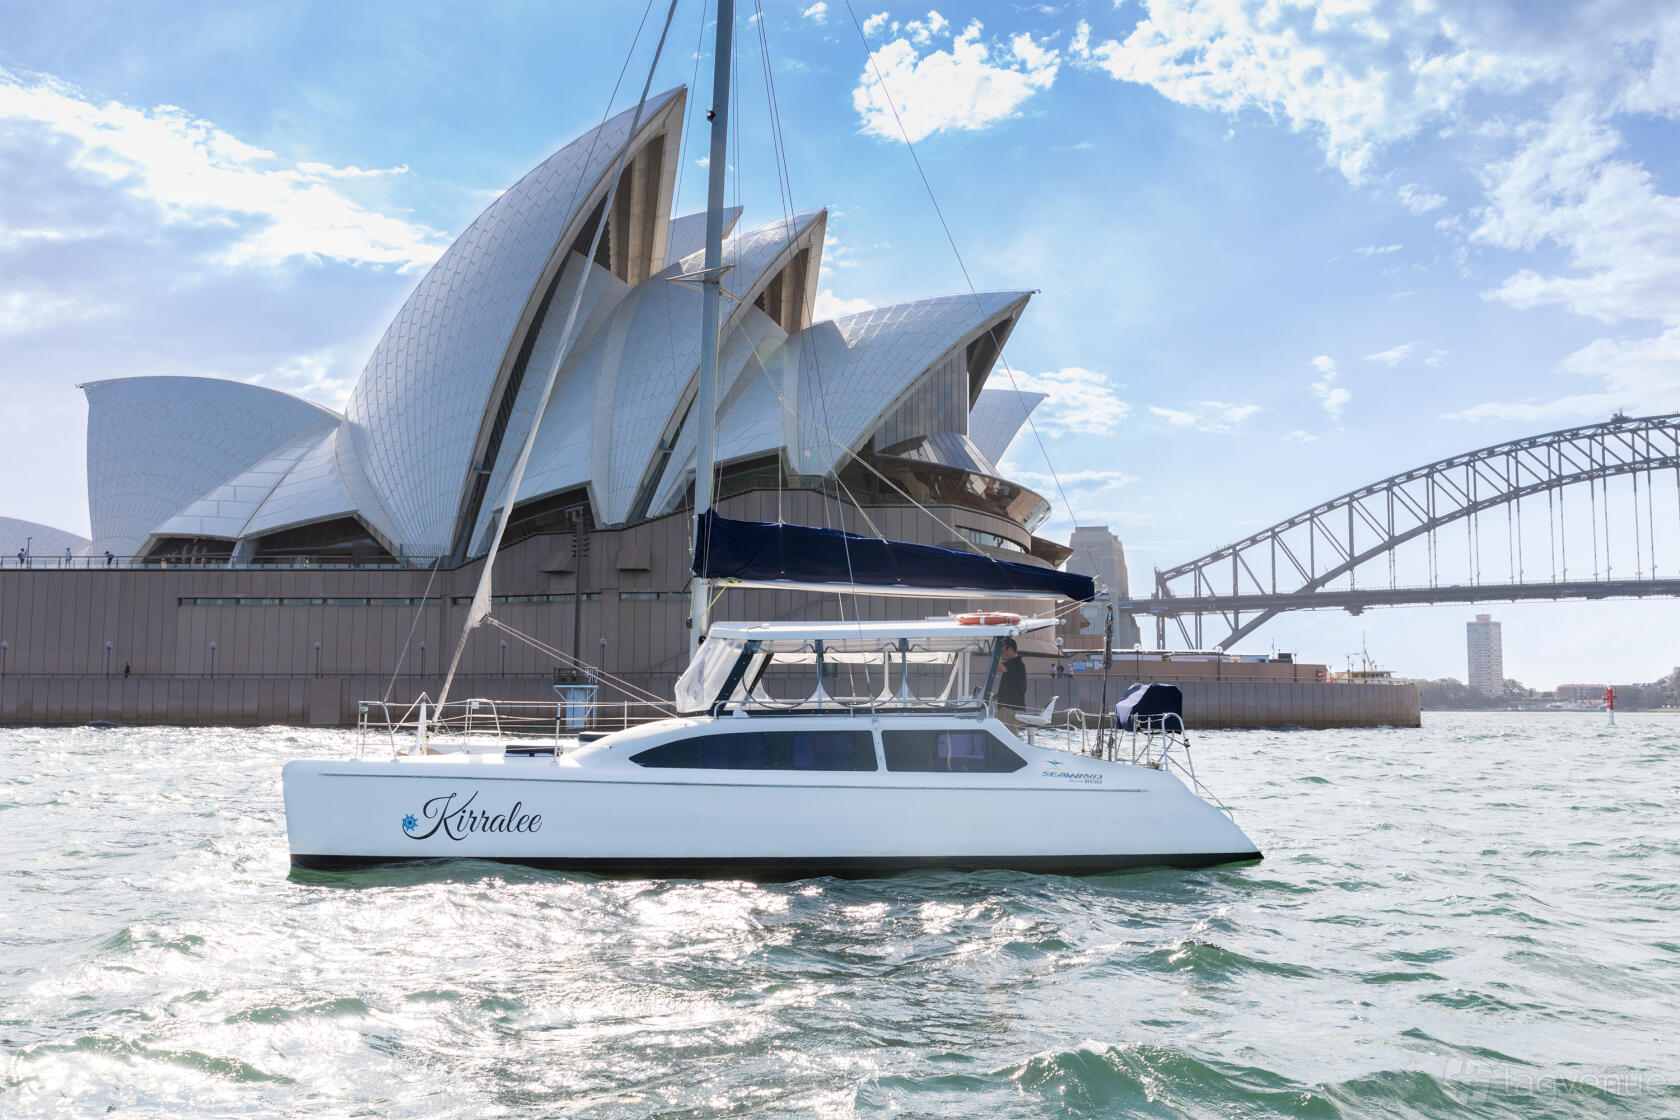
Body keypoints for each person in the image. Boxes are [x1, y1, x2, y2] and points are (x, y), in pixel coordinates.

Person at [994, 636, 1027, 731]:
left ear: (1011, 649)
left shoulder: (1015, 663)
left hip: (1010, 710)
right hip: (1009, 710)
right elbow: (1011, 688)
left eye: (1002, 652)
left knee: (1008, 738)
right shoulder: (1013, 665)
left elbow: (997, 668)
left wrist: (995, 652)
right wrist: (995, 696)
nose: (1001, 655)